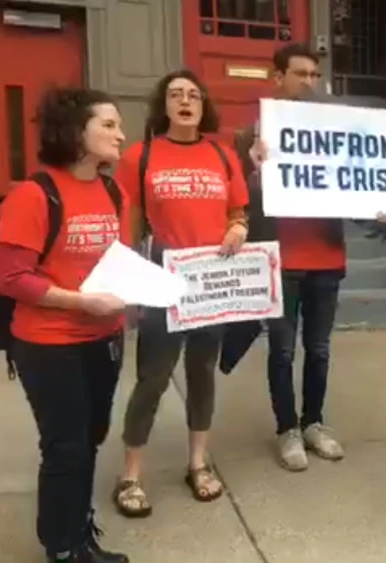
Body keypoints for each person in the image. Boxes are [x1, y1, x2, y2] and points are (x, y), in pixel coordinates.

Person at [235, 43, 386, 471]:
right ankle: (286, 428)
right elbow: (237, 201)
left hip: (326, 256)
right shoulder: (250, 136)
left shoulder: (335, 132)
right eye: (300, 74)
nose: (309, 82)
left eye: (313, 75)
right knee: (283, 351)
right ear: (277, 78)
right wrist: (254, 168)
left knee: (319, 349)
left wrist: (378, 216)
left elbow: (353, 188)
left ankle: (314, 422)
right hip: (278, 260)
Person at [0, 87, 131, 562]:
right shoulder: (35, 194)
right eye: (109, 125)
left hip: (105, 338)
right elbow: (11, 278)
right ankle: (61, 547)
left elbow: (120, 260)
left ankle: (79, 529)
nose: (121, 133)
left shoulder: (113, 190)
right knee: (65, 446)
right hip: (49, 344)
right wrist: (80, 302)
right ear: (76, 132)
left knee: (90, 438)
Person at [112, 69, 249, 517]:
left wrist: (238, 227)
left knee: (203, 373)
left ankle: (198, 464)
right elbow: (126, 222)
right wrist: (127, 285)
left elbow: (238, 211)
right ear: (164, 104)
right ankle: (130, 475)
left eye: (193, 94)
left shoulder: (223, 154)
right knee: (152, 377)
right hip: (161, 277)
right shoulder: (140, 156)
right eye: (176, 95)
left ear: (204, 104)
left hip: (212, 281)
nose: (185, 101)